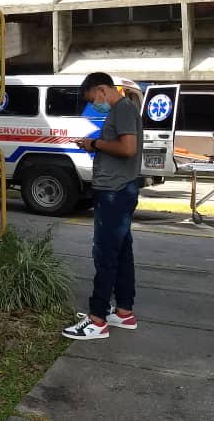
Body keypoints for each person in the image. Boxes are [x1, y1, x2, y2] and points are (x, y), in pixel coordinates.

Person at [62, 71, 144, 341]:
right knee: (121, 253)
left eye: (91, 99)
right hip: (120, 189)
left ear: (101, 89)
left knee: (105, 253)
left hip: (114, 192)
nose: (93, 104)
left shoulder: (121, 108)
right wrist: (94, 145)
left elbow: (128, 148)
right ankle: (123, 312)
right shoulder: (125, 109)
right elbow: (121, 145)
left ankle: (97, 319)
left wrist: (95, 143)